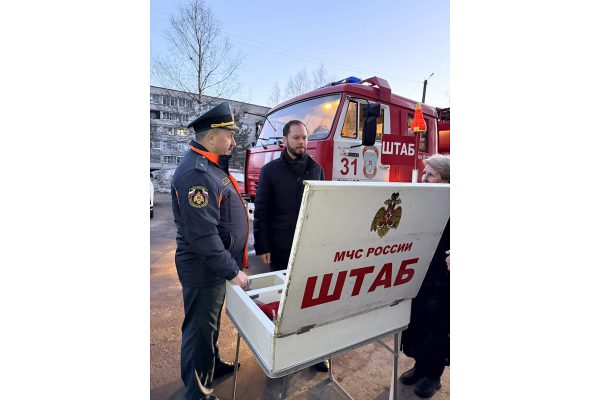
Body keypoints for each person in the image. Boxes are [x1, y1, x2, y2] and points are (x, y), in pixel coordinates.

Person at [171, 101, 250, 400]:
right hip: (204, 269)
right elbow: (203, 236)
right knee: (199, 332)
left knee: (210, 326)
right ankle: (197, 393)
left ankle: (211, 366)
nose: (233, 142)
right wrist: (231, 271)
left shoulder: (210, 166)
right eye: (230, 135)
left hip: (213, 268)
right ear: (212, 136)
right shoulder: (197, 174)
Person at [253, 119, 329, 372]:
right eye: (296, 137)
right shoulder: (270, 171)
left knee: (310, 299)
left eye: (304, 137)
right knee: (283, 301)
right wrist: (263, 245)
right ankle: (282, 352)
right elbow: (262, 210)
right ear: (285, 140)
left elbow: (323, 208)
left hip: (309, 247)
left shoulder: (316, 169)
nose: (301, 142)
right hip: (280, 246)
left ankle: (314, 353)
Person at [400, 154, 450, 398]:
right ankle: (420, 366)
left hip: (446, 277)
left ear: (446, 180)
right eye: (424, 173)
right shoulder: (427, 199)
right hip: (424, 272)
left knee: (440, 326)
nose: (424, 178)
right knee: (420, 320)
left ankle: (433, 375)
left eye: (431, 175)